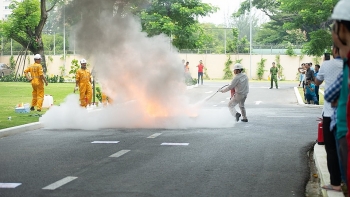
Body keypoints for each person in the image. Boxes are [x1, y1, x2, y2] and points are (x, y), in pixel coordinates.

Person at [316, 45, 344, 190]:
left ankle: (336, 183)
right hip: (347, 114)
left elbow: (317, 81)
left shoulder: (327, 64)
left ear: (335, 50)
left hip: (329, 114)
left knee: (332, 149)